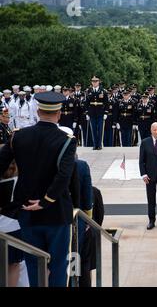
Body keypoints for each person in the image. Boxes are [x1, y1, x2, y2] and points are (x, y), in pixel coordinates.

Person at [0, 91, 77, 287]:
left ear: (38, 111)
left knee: (33, 263)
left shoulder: (18, 137)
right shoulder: (67, 140)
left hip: (26, 211)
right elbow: (63, 176)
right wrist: (45, 201)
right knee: (59, 264)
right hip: (56, 212)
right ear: (59, 114)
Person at [85, 76, 108, 150]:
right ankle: (95, 145)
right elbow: (86, 103)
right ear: (91, 82)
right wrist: (87, 113)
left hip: (100, 112)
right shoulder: (88, 91)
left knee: (100, 129)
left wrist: (105, 113)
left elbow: (106, 103)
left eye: (96, 81)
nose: (94, 83)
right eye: (93, 81)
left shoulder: (103, 91)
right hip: (92, 113)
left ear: (99, 82)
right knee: (94, 129)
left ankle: (100, 144)